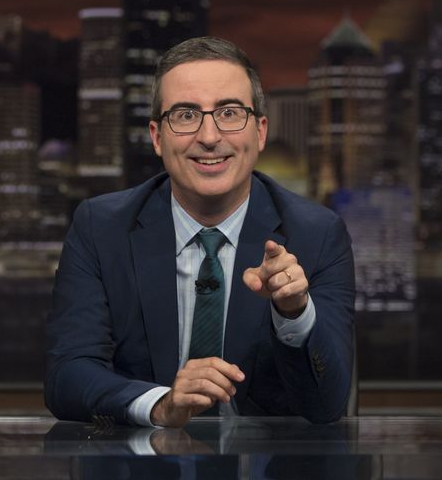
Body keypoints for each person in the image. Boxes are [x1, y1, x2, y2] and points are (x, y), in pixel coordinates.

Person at [46, 36, 355, 427]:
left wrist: (294, 313)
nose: (209, 138)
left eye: (229, 112)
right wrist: (161, 405)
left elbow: (327, 405)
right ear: (157, 137)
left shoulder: (317, 235)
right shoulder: (100, 228)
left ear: (260, 132)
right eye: (186, 115)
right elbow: (67, 376)